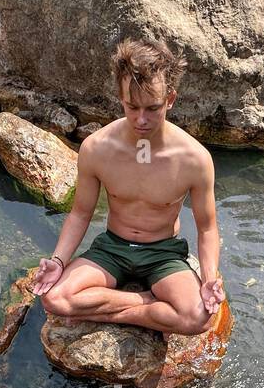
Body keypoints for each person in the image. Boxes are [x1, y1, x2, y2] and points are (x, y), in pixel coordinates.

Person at [33, 37, 224, 336]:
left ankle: (107, 310)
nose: (142, 119)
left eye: (153, 108)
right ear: (120, 97)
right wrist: (58, 261)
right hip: (112, 248)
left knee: (198, 317)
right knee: (53, 297)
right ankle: (146, 303)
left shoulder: (194, 159)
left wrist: (209, 277)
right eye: (132, 106)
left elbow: (208, 229)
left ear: (170, 99)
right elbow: (81, 213)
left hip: (163, 253)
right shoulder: (97, 148)